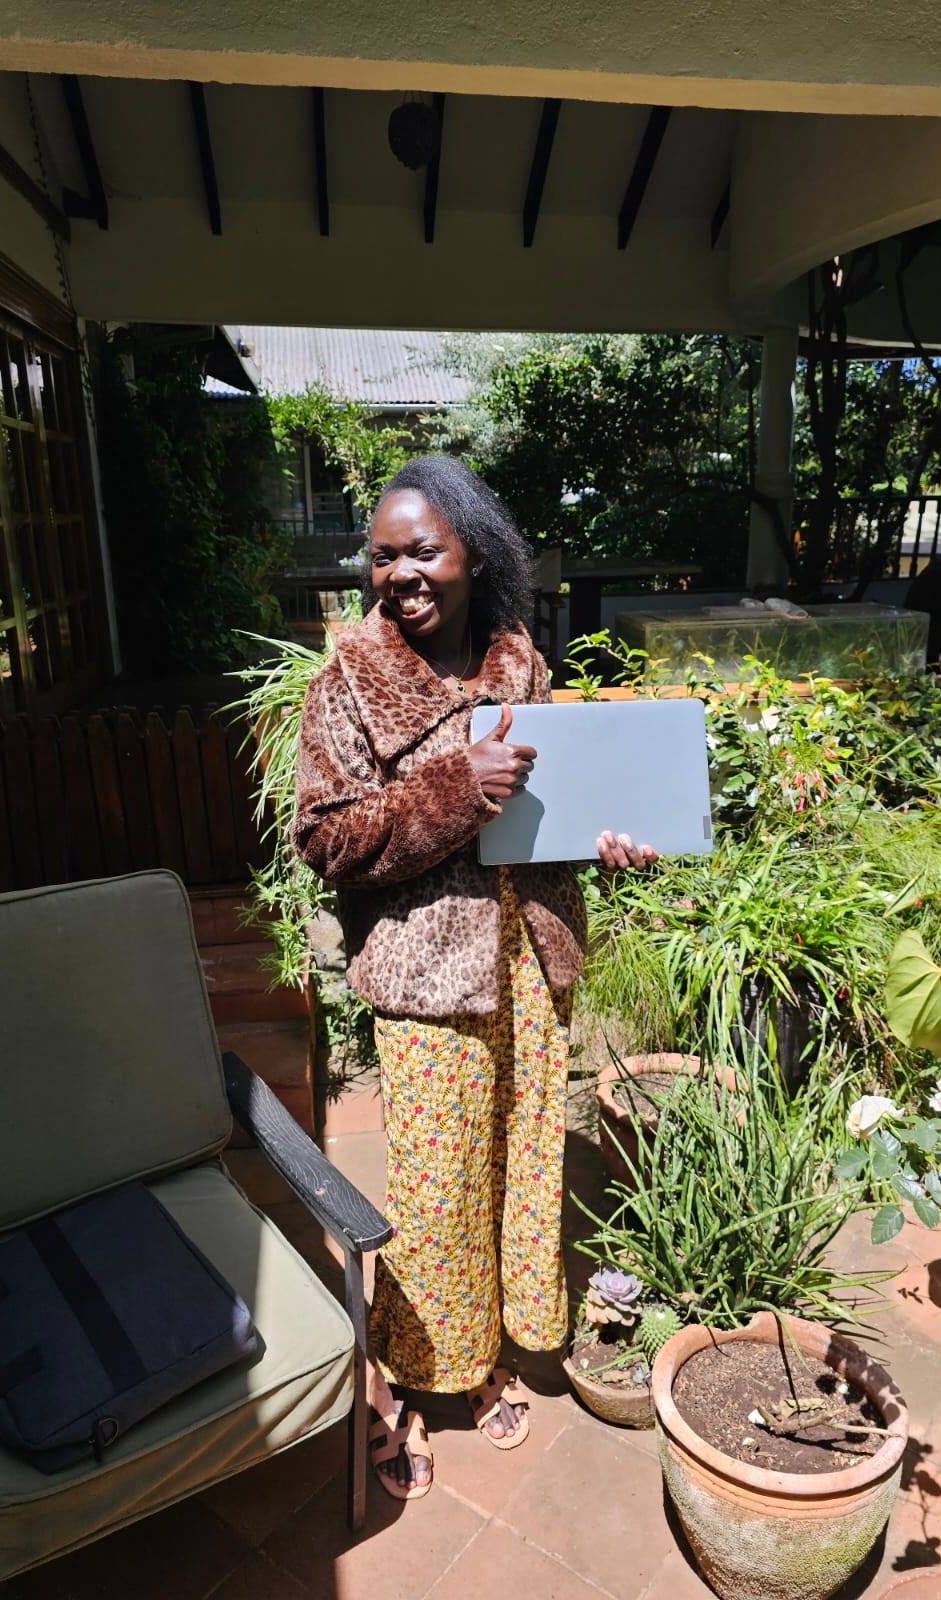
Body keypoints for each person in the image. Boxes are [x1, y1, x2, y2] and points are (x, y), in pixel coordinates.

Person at [293, 455, 656, 1500]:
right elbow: (326, 839)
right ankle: (412, 1374)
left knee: (526, 1168)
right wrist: (456, 788)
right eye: (383, 553)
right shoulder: (349, 682)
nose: (400, 571)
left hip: (530, 961)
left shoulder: (518, 666)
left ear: (473, 556)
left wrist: (607, 841)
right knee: (441, 1187)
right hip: (427, 981)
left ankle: (495, 1349)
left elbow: (554, 813)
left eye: (423, 551)